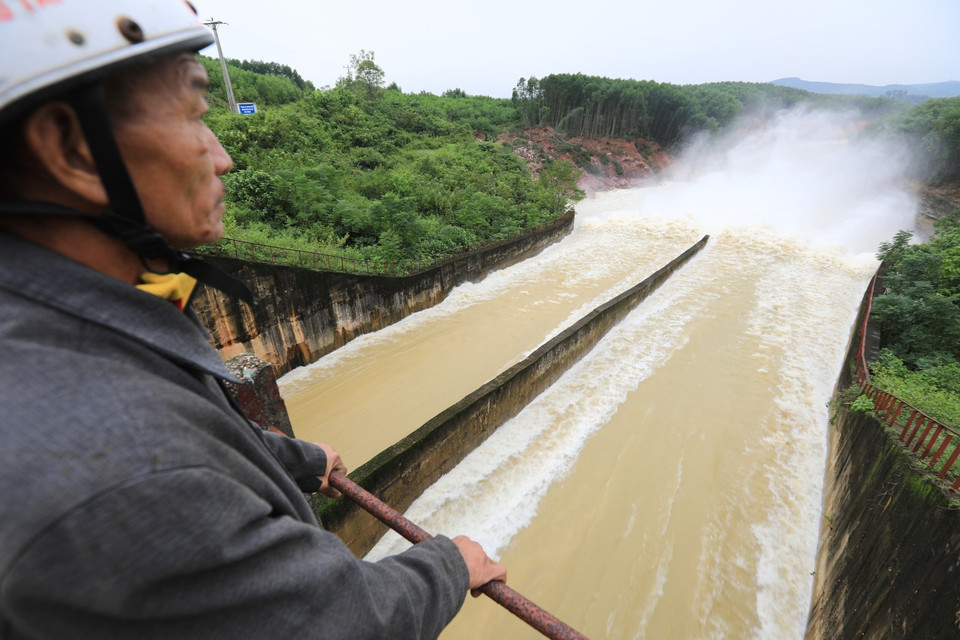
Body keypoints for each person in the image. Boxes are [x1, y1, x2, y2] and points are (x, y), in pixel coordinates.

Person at [0, 2, 505, 638]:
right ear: (71, 147)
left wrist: (294, 457)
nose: (222, 157)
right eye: (194, 113)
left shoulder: (57, 327)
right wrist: (450, 564)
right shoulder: (124, 465)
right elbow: (338, 623)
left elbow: (193, 436)